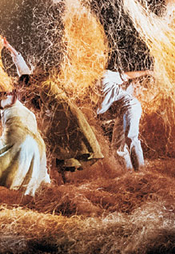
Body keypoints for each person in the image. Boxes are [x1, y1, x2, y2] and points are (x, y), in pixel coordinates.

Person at [5, 41, 104, 182]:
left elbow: (22, 70)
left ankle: (67, 180)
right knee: (58, 150)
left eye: (20, 87)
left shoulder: (37, 86)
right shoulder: (34, 91)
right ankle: (66, 181)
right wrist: (9, 48)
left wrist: (10, 48)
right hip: (63, 117)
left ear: (26, 85)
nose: (19, 90)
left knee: (54, 146)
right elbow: (22, 71)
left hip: (65, 116)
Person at [96, 68, 151, 170]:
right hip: (121, 112)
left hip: (129, 106)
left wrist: (146, 72)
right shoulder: (90, 90)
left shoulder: (104, 75)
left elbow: (126, 76)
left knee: (131, 138)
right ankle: (128, 174)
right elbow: (100, 109)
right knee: (117, 147)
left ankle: (142, 172)